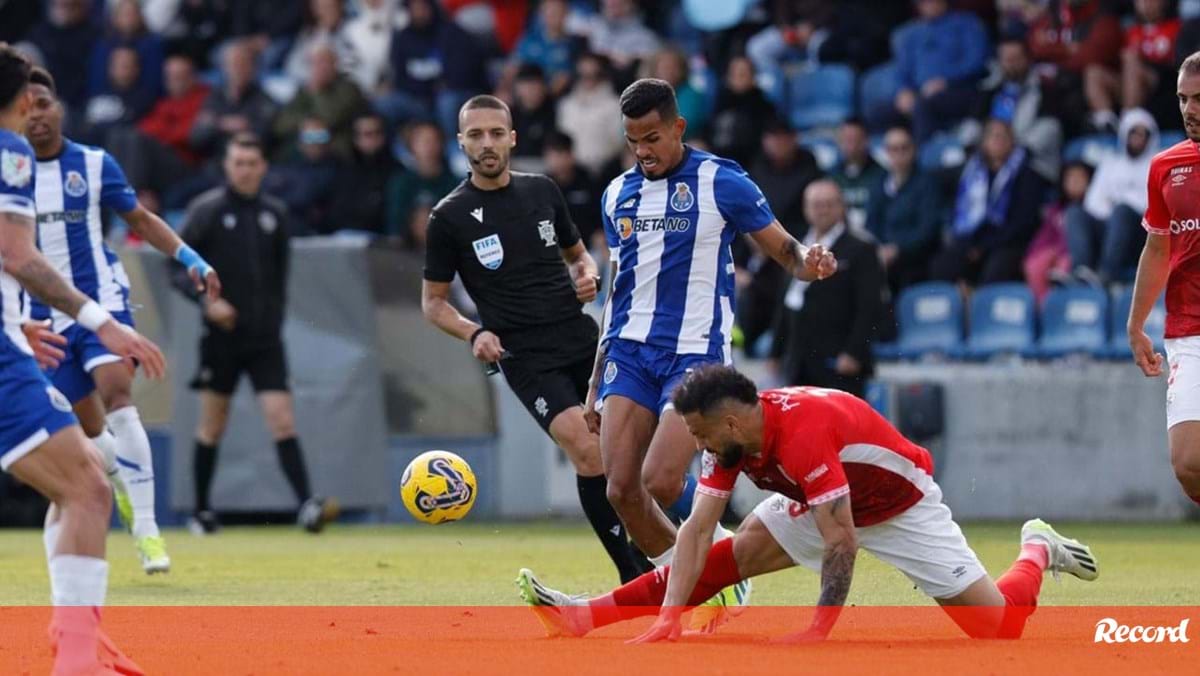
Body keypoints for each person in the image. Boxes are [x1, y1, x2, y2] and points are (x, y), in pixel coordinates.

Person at [517, 365, 1099, 643]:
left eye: (697, 434)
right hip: (819, 501)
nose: (695, 446)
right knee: (725, 558)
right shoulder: (730, 438)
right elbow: (696, 533)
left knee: (997, 629)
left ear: (726, 421)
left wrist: (817, 630)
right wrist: (669, 616)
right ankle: (583, 615)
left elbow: (842, 539)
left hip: (898, 508)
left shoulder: (802, 434)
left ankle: (1038, 548)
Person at [584, 78, 837, 619]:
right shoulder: (616, 195)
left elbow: (783, 247)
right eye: (634, 141)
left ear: (678, 127)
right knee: (622, 491)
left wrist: (807, 263)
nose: (644, 151)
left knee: (660, 479)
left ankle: (712, 565)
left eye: (653, 137)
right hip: (628, 353)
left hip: (694, 353)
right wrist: (595, 377)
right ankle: (706, 575)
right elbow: (618, 288)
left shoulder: (720, 181)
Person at [421, 95, 651, 583]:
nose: (487, 143)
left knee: (630, 451)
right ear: (460, 142)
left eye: (496, 133)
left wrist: (587, 274)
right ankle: (631, 573)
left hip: (582, 339)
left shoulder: (542, 190)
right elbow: (433, 303)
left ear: (512, 138)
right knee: (588, 452)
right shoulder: (449, 217)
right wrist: (474, 332)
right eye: (476, 135)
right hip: (524, 354)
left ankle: (666, 555)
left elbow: (579, 256)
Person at [0, 41, 164, 673]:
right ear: (21, 101)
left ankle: (79, 644)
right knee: (90, 486)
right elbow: (18, 255)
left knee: (79, 481)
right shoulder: (9, 149)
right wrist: (103, 323)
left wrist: (16, 322)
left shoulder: (84, 163)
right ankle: (76, 658)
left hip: (15, 334)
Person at [25, 66, 221, 574]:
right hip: (43, 314)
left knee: (117, 390)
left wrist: (190, 257)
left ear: (59, 107)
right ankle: (120, 480)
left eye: (44, 102)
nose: (37, 114)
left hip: (101, 301)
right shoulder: (10, 174)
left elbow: (140, 220)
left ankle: (150, 531)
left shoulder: (92, 164)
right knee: (90, 431)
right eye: (27, 105)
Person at [173, 132, 334, 535]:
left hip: (264, 340)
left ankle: (305, 506)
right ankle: (200, 511)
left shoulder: (274, 214)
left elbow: (280, 274)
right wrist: (208, 302)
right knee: (213, 423)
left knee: (282, 419)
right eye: (238, 163)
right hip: (221, 338)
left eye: (252, 163)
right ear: (227, 166)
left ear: (263, 167)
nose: (245, 170)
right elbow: (175, 268)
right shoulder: (206, 211)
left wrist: (273, 319)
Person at [1129, 50, 1200, 508]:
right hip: (1188, 329)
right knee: (1187, 463)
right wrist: (1136, 325)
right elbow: (1157, 248)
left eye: (1199, 98)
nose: (1190, 109)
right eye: (1182, 99)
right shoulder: (1165, 167)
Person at [772, 180, 883, 399]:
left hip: (838, 360)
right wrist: (775, 351)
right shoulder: (797, 245)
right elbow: (786, 302)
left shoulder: (861, 248)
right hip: (799, 356)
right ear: (805, 208)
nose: (822, 210)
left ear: (842, 206)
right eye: (816, 204)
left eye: (829, 204)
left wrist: (854, 352)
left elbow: (870, 306)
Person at [1067, 108, 1158, 287]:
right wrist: (1114, 210)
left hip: (1139, 234)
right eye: (1133, 133)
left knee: (1122, 211)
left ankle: (1107, 273)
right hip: (1108, 226)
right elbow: (1093, 201)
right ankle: (1081, 270)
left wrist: (1119, 204)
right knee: (1075, 212)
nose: (1137, 138)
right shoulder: (1110, 163)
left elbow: (1152, 205)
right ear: (1125, 134)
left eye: (1143, 134)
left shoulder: (1157, 165)